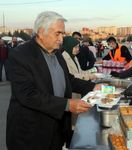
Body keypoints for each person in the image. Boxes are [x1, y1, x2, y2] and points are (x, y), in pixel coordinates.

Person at [6, 11, 102, 150]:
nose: (61, 39)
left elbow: (68, 80)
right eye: (57, 33)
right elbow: (27, 95)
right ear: (41, 31)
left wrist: (93, 87)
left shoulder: (57, 54)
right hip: (31, 133)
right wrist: (67, 105)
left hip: (57, 130)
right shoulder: (21, 55)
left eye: (62, 34)